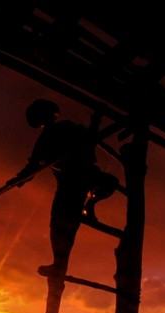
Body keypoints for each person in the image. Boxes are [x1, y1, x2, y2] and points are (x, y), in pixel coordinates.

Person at [8, 99, 122, 275]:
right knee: (61, 224)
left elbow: (90, 139)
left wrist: (96, 119)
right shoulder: (44, 139)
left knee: (108, 184)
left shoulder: (67, 128)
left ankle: (89, 206)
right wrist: (20, 179)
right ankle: (59, 263)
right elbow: (34, 165)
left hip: (84, 176)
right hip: (68, 183)